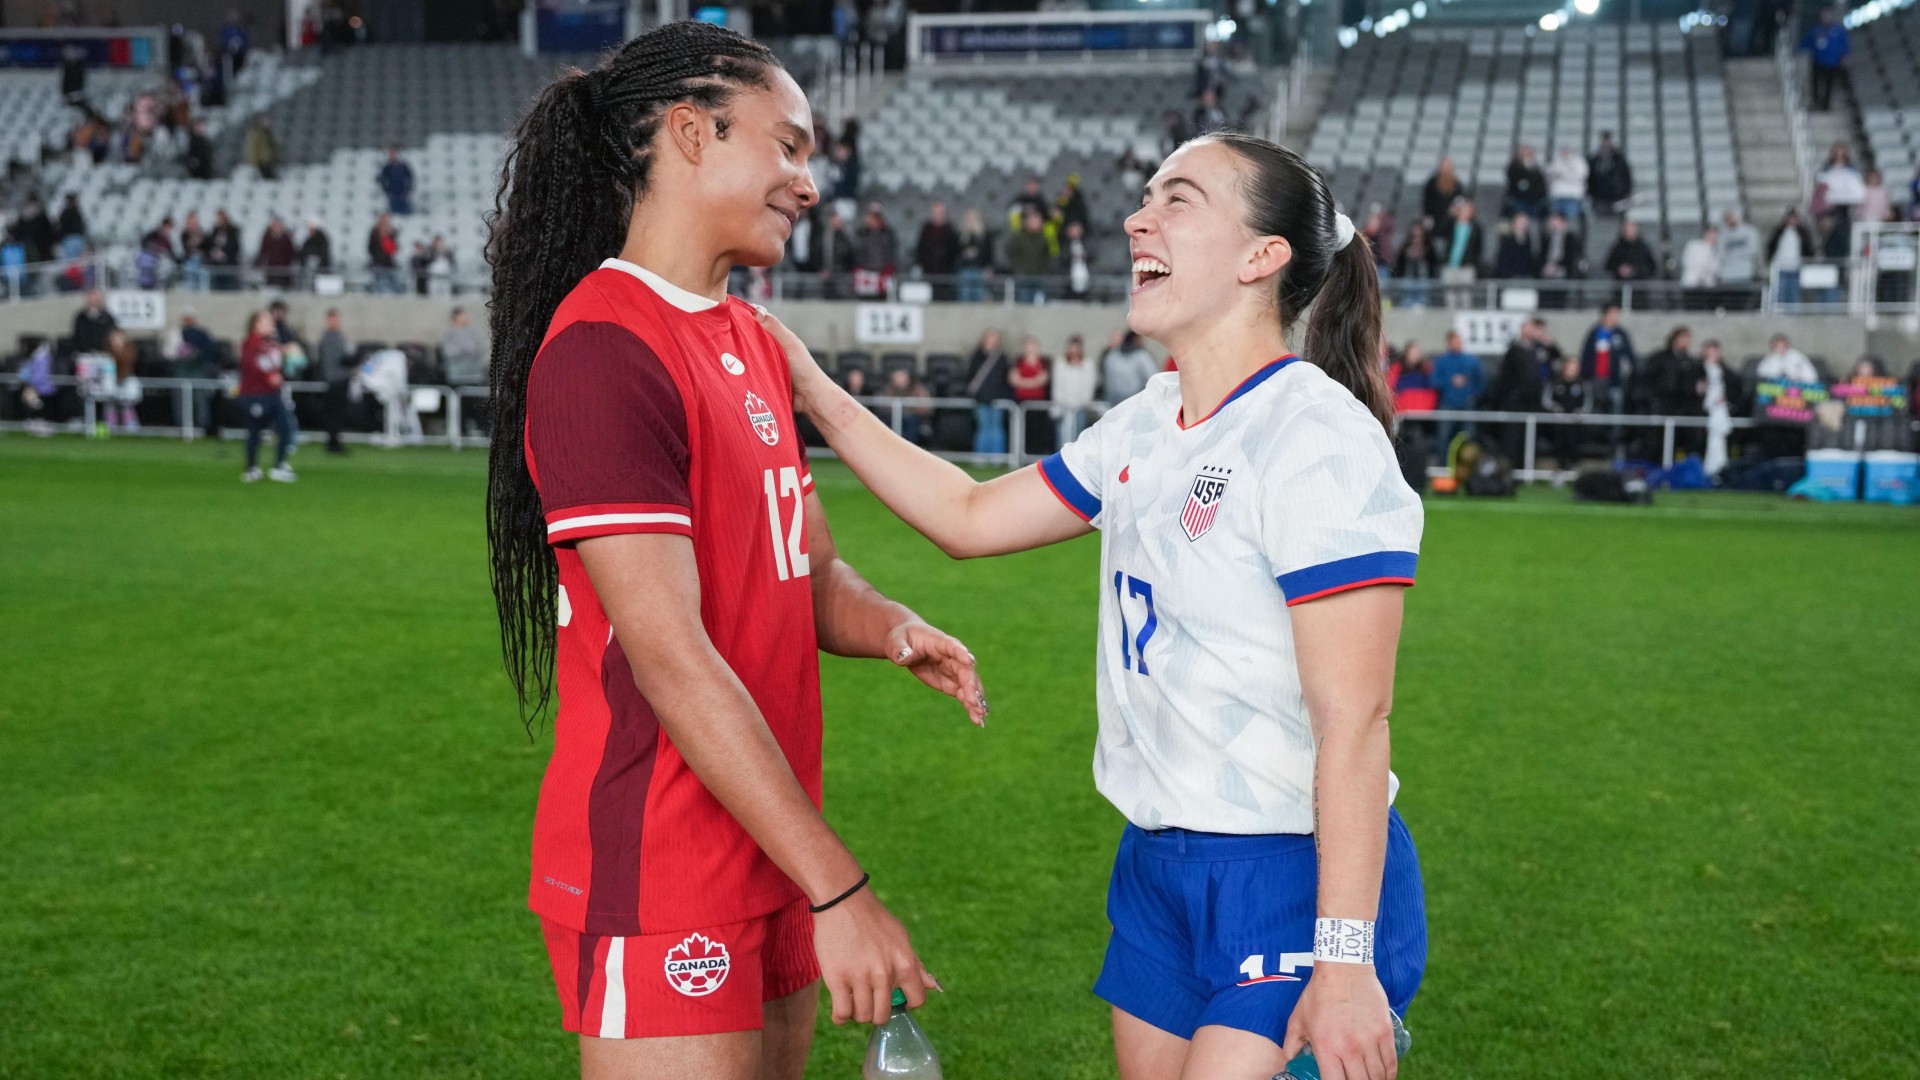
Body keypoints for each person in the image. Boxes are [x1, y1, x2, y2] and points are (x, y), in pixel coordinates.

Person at [758, 130, 1426, 1080]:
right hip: (1157, 870)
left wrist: (1346, 963)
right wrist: (813, 390)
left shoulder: (1317, 436)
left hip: (1292, 874)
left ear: (1261, 256)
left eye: (1179, 198)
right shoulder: (1148, 421)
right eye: (1146, 196)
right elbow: (968, 516)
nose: (1137, 219)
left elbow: (1355, 721)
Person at [480, 23, 978, 1078]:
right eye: (786, 145)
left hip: (770, 842)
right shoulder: (605, 349)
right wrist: (842, 888)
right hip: (663, 862)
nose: (809, 183)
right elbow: (671, 658)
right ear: (691, 132)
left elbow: (810, 571)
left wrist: (890, 626)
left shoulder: (753, 339)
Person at [238, 309, 296, 483]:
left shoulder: (270, 343)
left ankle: (279, 466)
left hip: (272, 394)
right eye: (267, 321)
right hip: (254, 395)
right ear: (256, 324)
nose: (271, 325)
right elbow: (254, 365)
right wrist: (270, 376)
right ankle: (251, 468)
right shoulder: (250, 343)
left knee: (285, 428)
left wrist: (288, 354)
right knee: (255, 431)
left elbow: (276, 362)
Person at [1431, 330, 1483, 457]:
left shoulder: (1471, 360)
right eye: (1454, 341)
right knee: (1443, 436)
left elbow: (1481, 381)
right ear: (1448, 343)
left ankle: (1467, 465)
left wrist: (1473, 396)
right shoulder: (1441, 361)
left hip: (1467, 404)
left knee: (1468, 437)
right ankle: (1443, 465)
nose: (1457, 344)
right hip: (1447, 403)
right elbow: (1434, 381)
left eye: (1458, 341)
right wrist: (1450, 381)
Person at [1578, 303, 1636, 414]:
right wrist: (1586, 374)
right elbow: (1586, 355)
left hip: (1614, 379)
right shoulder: (1594, 333)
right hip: (1595, 379)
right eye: (1612, 314)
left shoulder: (1621, 334)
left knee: (1616, 405)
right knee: (1594, 407)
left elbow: (1629, 355)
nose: (1615, 317)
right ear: (1605, 315)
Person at [965, 328, 1014, 455]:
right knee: (983, 427)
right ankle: (981, 456)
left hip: (997, 399)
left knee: (996, 427)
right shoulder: (976, 357)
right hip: (981, 398)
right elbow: (970, 376)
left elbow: (1005, 379)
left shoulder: (1003, 358)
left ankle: (997, 457)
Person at [1799, 6, 1851, 112]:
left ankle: (1826, 105)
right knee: (1815, 83)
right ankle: (1816, 102)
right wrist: (1798, 49)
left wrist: (1845, 56)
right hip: (1818, 61)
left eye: (1828, 15)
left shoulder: (1838, 31)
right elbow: (1806, 42)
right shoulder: (1816, 30)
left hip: (1832, 62)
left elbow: (1844, 45)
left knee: (1829, 84)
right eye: (1824, 15)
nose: (1826, 17)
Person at [1544, 353, 1590, 471]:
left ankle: (1573, 465)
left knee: (1574, 441)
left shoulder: (1583, 384)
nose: (1571, 370)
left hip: (1576, 423)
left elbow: (1587, 403)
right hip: (1558, 423)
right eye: (1569, 367)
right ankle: (1560, 466)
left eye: (1574, 367)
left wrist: (1580, 412)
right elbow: (1546, 400)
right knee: (1559, 442)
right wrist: (1556, 409)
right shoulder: (1555, 382)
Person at [316, 307, 352, 454]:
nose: (336, 322)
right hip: (335, 379)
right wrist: (355, 359)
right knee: (334, 413)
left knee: (338, 413)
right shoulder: (330, 338)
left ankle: (334, 441)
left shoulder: (338, 336)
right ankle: (333, 443)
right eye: (333, 319)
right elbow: (341, 359)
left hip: (340, 378)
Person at [1699, 340, 1736, 475]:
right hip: (1701, 413)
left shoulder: (1727, 372)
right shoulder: (1696, 370)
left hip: (1721, 412)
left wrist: (1726, 398)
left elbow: (1736, 389)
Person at [1768, 207, 1816, 303]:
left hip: (1796, 268)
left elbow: (1808, 248)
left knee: (1794, 293)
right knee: (1780, 293)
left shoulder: (1803, 233)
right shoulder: (1779, 232)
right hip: (1781, 267)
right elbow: (1771, 246)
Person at [1005, 208, 1053, 303]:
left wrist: (1044, 268)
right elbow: (1009, 252)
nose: (1038, 223)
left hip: (1039, 276)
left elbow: (1048, 256)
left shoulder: (1044, 238)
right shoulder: (1018, 237)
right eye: (1035, 220)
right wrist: (1018, 267)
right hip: (1023, 276)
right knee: (1023, 302)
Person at [1100, 329, 1160, 404]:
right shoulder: (1142, 356)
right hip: (1135, 402)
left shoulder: (1112, 356)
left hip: (1120, 403)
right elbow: (1153, 378)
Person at [913, 201, 957, 296]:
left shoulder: (950, 230)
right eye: (936, 213)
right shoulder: (926, 229)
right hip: (929, 271)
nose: (939, 215)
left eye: (941, 212)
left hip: (946, 272)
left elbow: (954, 251)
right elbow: (921, 248)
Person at [1391, 219, 1437, 306]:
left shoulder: (1428, 246)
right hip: (1408, 276)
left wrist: (1423, 253)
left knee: (1423, 299)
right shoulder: (1405, 246)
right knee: (1407, 299)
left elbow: (1433, 261)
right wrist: (1407, 254)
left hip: (1423, 277)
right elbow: (1399, 263)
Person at [1587, 131, 1633, 213]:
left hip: (1617, 194)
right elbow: (1590, 177)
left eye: (1608, 141)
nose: (1606, 144)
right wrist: (1591, 193)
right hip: (1599, 196)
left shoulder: (1619, 159)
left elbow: (1626, 175)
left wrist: (1627, 191)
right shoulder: (1594, 160)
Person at [441, 304, 485, 389]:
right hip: (457, 375)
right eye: (463, 315)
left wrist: (474, 349)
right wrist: (463, 349)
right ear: (456, 317)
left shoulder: (473, 331)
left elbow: (480, 348)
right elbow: (447, 352)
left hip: (474, 375)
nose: (466, 317)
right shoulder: (449, 333)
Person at [954, 207, 993, 303]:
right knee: (965, 294)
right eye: (968, 218)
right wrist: (965, 254)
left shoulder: (984, 235)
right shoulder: (960, 235)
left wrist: (988, 266)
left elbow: (988, 252)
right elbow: (955, 252)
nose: (970, 221)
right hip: (965, 269)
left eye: (973, 218)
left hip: (979, 269)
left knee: (979, 295)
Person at [1546, 147, 1588, 222]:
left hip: (1573, 195)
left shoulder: (1579, 162)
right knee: (1556, 219)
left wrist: (1562, 174)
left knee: (1571, 219)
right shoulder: (1556, 161)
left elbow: (1581, 176)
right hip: (1557, 195)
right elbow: (1549, 174)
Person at [1504, 145, 1546, 220]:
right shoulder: (1515, 165)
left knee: (1532, 217)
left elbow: (1539, 181)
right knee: (1520, 216)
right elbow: (1513, 178)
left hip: (1533, 198)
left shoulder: (1535, 167)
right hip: (1519, 197)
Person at [1493, 212, 1539, 278]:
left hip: (1526, 276)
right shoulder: (1506, 241)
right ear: (1514, 224)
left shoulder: (1529, 241)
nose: (1524, 225)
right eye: (1521, 222)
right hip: (1509, 277)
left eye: (1525, 222)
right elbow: (1503, 262)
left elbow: (1531, 261)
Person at [254, 217, 297, 288]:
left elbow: (290, 253)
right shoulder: (267, 238)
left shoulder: (286, 239)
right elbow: (263, 252)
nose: (277, 228)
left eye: (278, 226)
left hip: (283, 270)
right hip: (271, 269)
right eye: (275, 225)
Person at [71, 287, 117, 353]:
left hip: (104, 353)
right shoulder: (81, 317)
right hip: (84, 353)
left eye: (96, 300)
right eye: (91, 300)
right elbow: (77, 337)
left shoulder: (107, 318)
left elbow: (112, 336)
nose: (93, 303)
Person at [367, 214, 402, 294]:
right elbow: (371, 248)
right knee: (376, 283)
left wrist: (389, 235)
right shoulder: (374, 233)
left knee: (394, 283)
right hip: (377, 262)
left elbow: (394, 248)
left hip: (388, 262)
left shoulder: (391, 233)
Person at [1679, 226, 1718, 296]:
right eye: (1713, 235)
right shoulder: (1694, 245)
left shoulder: (1715, 250)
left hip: (1708, 288)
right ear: (1707, 234)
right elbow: (1689, 262)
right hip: (1691, 285)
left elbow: (1715, 268)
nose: (1715, 238)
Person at [1422, 158, 1462, 227]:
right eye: (1443, 167)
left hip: (1450, 218)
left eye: (1447, 167)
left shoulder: (1457, 184)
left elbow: (1459, 200)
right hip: (1435, 217)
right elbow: (1427, 201)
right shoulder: (1432, 183)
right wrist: (1427, 215)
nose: (1445, 170)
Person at [378, 145, 415, 215]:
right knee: (393, 214)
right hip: (392, 195)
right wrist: (386, 191)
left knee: (405, 213)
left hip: (403, 194)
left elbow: (410, 178)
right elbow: (382, 179)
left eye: (394, 153)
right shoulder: (387, 167)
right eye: (390, 153)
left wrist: (408, 190)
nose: (392, 155)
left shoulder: (403, 166)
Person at [246, 114, 280, 180]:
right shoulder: (256, 133)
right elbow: (253, 148)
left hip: (269, 160)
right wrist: (254, 160)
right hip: (262, 161)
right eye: (264, 121)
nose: (267, 122)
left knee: (271, 179)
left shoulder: (266, 132)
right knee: (268, 179)